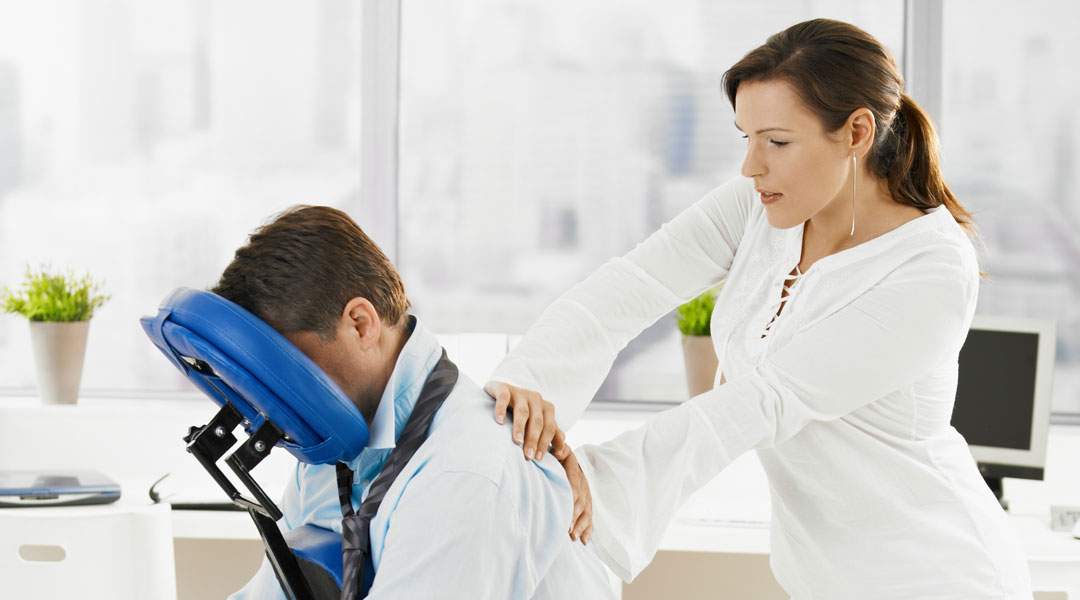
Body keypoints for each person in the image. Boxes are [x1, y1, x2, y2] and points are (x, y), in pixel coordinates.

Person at [485, 18, 1032, 599]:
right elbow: (634, 283)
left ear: (856, 132)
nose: (751, 165)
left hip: (939, 578)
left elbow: (770, 398)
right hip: (819, 581)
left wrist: (598, 478)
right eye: (746, 138)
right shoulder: (763, 206)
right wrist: (527, 389)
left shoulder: (931, 269)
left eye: (777, 142)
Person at [218, 206, 614, 599]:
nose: (274, 407)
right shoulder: (334, 455)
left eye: (287, 372)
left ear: (361, 323)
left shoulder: (461, 474)